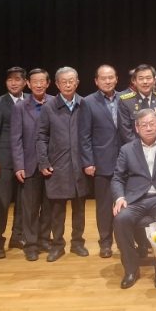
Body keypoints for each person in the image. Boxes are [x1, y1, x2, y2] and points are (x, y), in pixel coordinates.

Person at [112, 109, 156, 290]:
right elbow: (117, 177)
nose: (149, 128)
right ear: (137, 128)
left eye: (152, 124)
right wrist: (120, 197)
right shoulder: (127, 149)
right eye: (144, 125)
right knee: (121, 218)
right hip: (135, 199)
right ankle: (131, 270)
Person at [35, 67, 90, 262]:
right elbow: (41, 136)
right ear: (57, 84)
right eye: (64, 81)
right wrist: (43, 161)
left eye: (71, 81)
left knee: (79, 208)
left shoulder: (85, 104)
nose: (68, 85)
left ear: (77, 82)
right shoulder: (49, 107)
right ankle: (58, 245)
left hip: (80, 164)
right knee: (57, 210)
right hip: (58, 165)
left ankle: (78, 243)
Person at [78, 65, 122, 259]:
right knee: (104, 207)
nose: (108, 81)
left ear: (116, 79)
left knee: (126, 204)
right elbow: (84, 135)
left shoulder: (125, 98)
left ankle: (124, 241)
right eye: (103, 78)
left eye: (111, 77)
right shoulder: (88, 102)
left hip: (125, 160)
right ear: (96, 81)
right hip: (102, 162)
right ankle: (105, 243)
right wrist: (88, 162)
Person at [10, 68, 54, 261]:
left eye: (42, 81)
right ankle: (31, 244)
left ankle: (45, 238)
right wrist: (19, 165)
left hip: (51, 163)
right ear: (28, 84)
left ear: (48, 83)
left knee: (49, 205)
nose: (38, 85)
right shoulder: (20, 107)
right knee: (29, 208)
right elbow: (15, 139)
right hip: (29, 164)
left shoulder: (55, 102)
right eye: (34, 81)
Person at [0, 66, 28, 258]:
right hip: (4, 160)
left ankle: (17, 236)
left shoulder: (30, 101)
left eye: (17, 79)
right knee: (2, 202)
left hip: (26, 159)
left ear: (25, 82)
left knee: (22, 201)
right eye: (10, 79)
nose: (13, 82)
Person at [118, 64, 156, 144]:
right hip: (135, 148)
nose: (145, 82)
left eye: (148, 78)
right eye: (141, 79)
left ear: (154, 80)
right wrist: (141, 148)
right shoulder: (126, 102)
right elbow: (126, 131)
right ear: (134, 81)